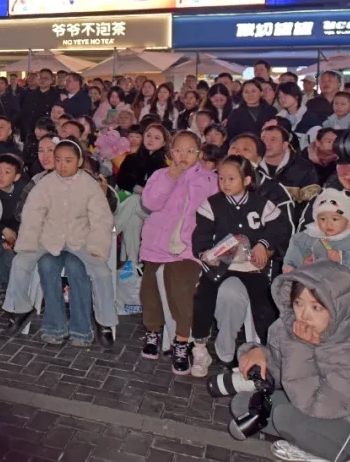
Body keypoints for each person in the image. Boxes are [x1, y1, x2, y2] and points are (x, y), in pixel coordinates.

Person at [229, 264, 350, 462]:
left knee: (286, 418)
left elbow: (317, 406)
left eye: (316, 307)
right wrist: (259, 355)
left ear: (337, 308)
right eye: (298, 303)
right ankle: (310, 441)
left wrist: (301, 347)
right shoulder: (287, 328)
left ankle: (336, 456)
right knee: (245, 404)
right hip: (313, 404)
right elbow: (282, 375)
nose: (303, 315)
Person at [15, 139, 114, 346]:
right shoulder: (44, 183)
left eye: (68, 160)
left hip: (81, 242)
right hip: (51, 241)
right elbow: (32, 214)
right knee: (44, 264)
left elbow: (101, 218)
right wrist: (29, 242)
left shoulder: (90, 184)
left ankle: (93, 326)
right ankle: (50, 324)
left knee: (90, 270)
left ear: (79, 162)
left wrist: (96, 248)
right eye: (58, 160)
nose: (62, 165)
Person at [191, 155, 286, 363]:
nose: (225, 183)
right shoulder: (212, 204)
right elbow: (201, 234)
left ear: (247, 180)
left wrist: (263, 243)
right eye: (222, 178)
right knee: (203, 296)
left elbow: (280, 228)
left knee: (264, 305)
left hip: (250, 265)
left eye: (231, 178)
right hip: (222, 263)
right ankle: (199, 346)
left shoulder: (261, 204)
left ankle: (267, 352)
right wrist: (206, 253)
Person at [139, 130, 219, 375]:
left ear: (199, 153)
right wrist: (170, 178)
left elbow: (215, 214)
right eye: (177, 150)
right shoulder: (160, 175)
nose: (183, 156)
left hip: (189, 249)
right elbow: (150, 203)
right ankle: (153, 332)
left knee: (181, 289)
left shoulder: (209, 180)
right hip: (157, 243)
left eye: (189, 151)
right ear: (170, 152)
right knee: (149, 288)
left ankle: (181, 341)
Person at [284, 187, 350, 333]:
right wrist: (291, 265)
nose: (328, 224)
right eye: (322, 219)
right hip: (321, 292)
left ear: (347, 221)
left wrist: (343, 256)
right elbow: (296, 244)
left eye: (335, 219)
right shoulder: (311, 236)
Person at [0, 153, 24, 307]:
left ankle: (8, 285)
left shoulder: (21, 191)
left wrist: (12, 235)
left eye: (7, 172)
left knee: (9, 251)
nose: (0, 176)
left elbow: (19, 217)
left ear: (16, 177)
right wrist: (1, 231)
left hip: (10, 232)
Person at [117, 123, 170, 193]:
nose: (151, 140)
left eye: (156, 138)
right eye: (148, 136)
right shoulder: (131, 158)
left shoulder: (165, 165)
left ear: (164, 143)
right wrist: (137, 188)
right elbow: (121, 179)